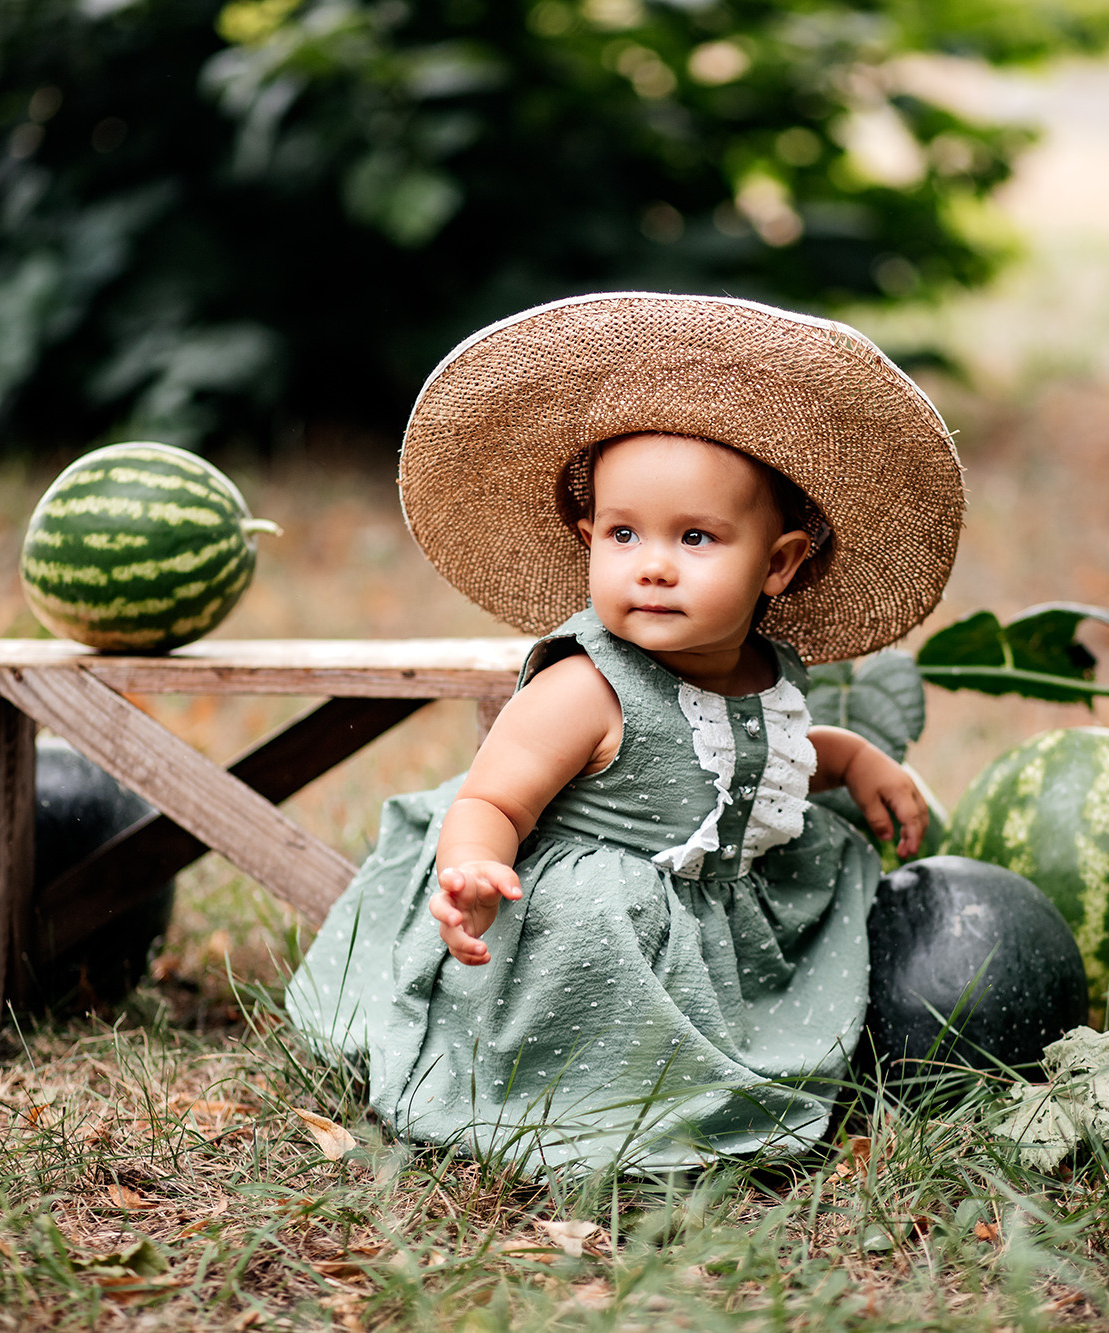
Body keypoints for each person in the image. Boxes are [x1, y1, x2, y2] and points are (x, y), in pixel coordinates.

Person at [286, 292, 965, 1171]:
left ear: (780, 563)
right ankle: (578, 1106)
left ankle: (714, 1076)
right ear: (589, 538)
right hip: (583, 931)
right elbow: (493, 793)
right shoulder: (587, 685)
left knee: (807, 890)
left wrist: (856, 757)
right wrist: (475, 866)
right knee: (586, 1058)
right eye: (623, 532)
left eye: (695, 537)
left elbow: (770, 755)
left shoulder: (766, 670)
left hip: (702, 923)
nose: (651, 563)